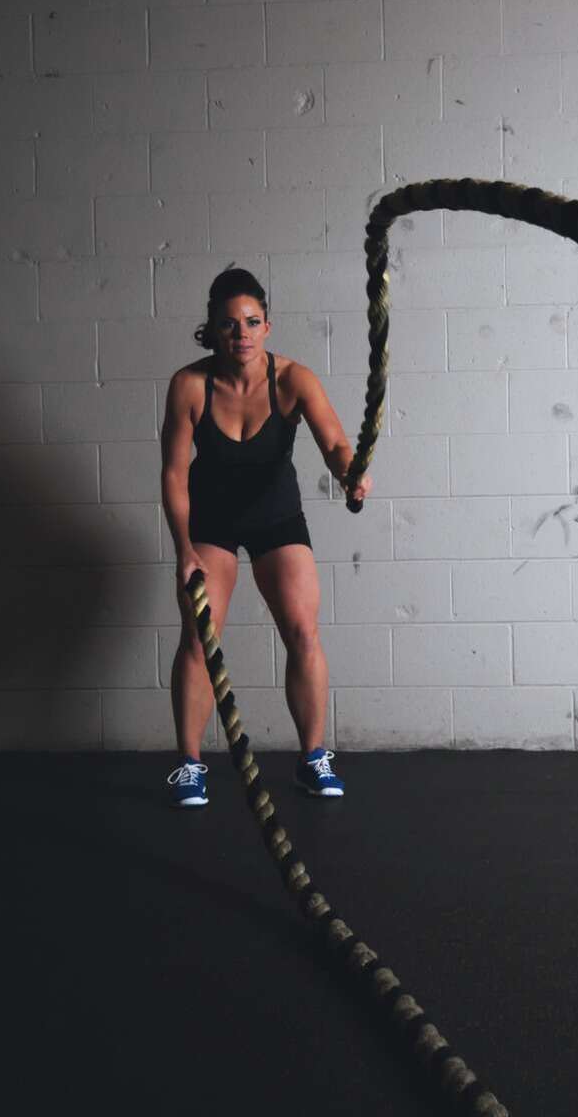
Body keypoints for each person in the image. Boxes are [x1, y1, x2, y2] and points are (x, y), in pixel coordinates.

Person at [160, 267, 372, 808]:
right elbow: (174, 474)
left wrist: (351, 472)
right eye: (230, 324)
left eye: (252, 322)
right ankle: (189, 765)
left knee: (304, 630)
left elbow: (335, 445)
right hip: (212, 522)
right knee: (198, 637)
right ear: (212, 328)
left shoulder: (294, 380)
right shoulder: (189, 385)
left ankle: (312, 757)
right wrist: (184, 550)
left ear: (268, 326)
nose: (242, 334)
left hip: (277, 518)